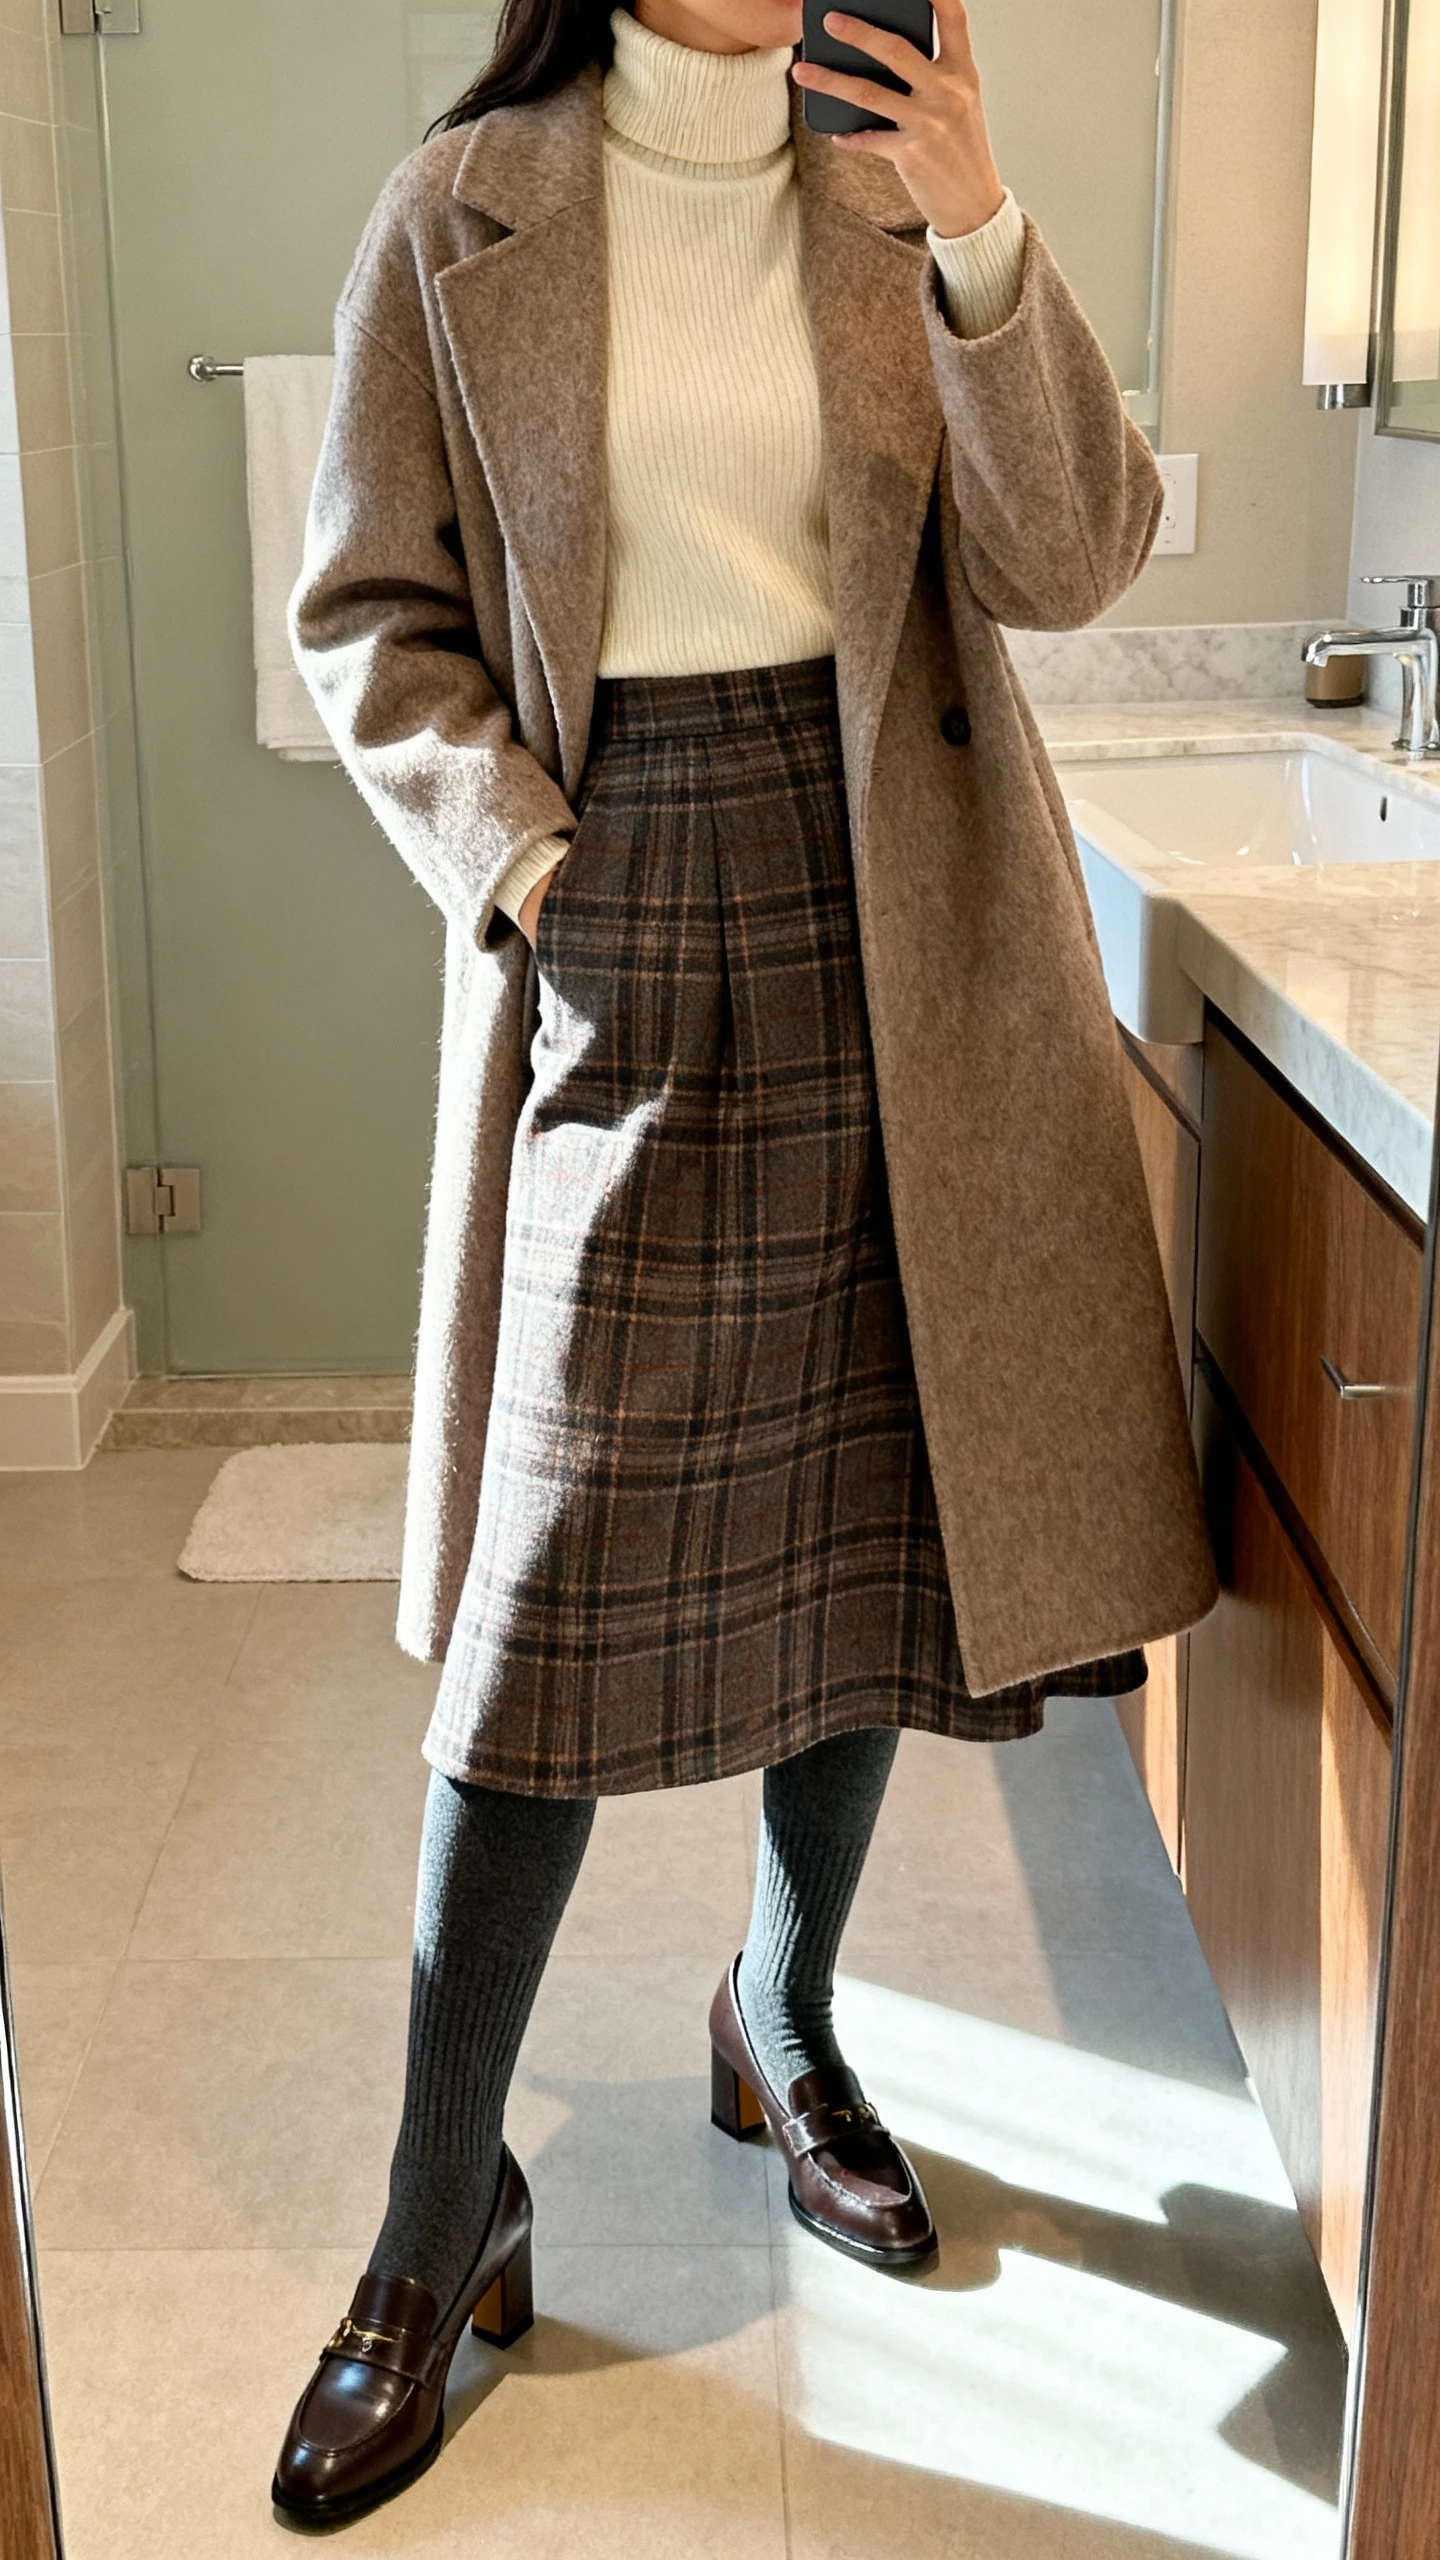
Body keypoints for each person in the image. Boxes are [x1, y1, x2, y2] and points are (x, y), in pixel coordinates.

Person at [273, 0, 1216, 2520]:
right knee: (546, 1598)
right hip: (627, 905)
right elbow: (366, 606)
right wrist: (537, 864)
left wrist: (984, 229)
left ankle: (786, 2014)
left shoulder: (891, 178)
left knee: (872, 1534)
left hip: (915, 917)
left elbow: (1067, 557)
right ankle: (431, 2208)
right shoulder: (463, 210)